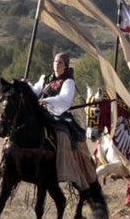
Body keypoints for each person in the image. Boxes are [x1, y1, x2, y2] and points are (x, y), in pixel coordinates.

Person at [32, 52, 100, 190]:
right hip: (42, 113)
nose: (57, 64)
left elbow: (65, 100)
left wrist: (46, 100)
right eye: (55, 61)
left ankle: (62, 169)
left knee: (62, 134)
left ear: (66, 65)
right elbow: (35, 91)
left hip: (59, 114)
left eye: (60, 62)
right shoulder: (45, 78)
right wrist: (25, 86)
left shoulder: (68, 81)